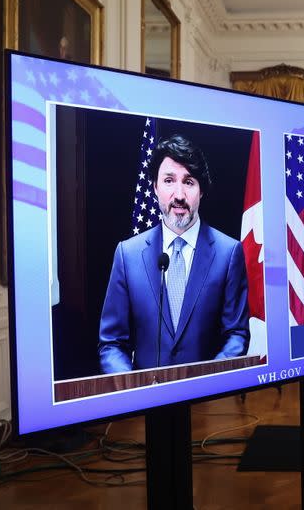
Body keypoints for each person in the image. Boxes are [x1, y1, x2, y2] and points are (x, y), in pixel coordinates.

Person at [98, 135, 250, 374]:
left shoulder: (229, 253)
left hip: (207, 403)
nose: (179, 195)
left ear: (201, 191)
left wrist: (208, 383)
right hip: (145, 402)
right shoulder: (127, 254)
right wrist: (133, 389)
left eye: (189, 182)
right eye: (169, 180)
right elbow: (112, 344)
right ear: (155, 187)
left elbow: (236, 335)